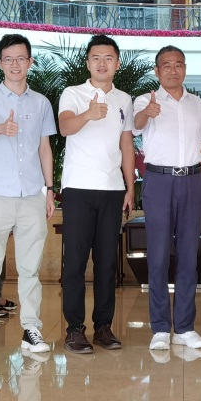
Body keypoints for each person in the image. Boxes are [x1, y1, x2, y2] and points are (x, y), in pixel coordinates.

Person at [0, 33, 57, 356]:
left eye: (21, 58)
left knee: (30, 269)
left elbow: (44, 148)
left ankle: (31, 330)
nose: (15, 64)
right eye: (8, 59)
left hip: (32, 194)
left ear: (30, 62)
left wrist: (49, 190)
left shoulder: (41, 102)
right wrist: (0, 129)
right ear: (0, 63)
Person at [58, 34, 135, 354]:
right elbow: (64, 128)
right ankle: (74, 329)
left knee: (106, 263)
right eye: (96, 58)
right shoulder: (73, 93)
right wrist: (88, 114)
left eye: (108, 58)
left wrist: (130, 186)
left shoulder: (124, 99)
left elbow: (126, 144)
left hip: (112, 190)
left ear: (117, 63)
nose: (102, 63)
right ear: (87, 62)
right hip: (78, 188)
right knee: (75, 262)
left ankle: (103, 326)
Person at [133, 45, 201, 351]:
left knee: (189, 257)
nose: (173, 70)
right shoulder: (146, 100)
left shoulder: (197, 103)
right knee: (158, 256)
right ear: (157, 71)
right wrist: (147, 113)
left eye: (178, 64)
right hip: (158, 181)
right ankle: (160, 328)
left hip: (192, 181)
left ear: (185, 69)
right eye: (166, 65)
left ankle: (185, 328)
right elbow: (136, 125)